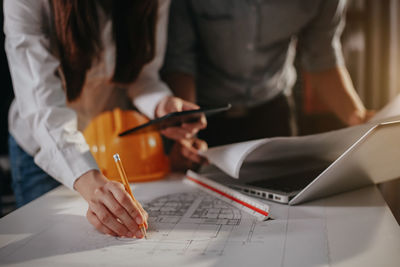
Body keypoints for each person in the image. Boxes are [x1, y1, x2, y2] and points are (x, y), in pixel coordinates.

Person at [4, 0, 205, 238]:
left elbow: (143, 76)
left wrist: (162, 105)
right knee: (47, 243)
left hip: (110, 145)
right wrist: (90, 182)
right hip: (42, 146)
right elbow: (41, 105)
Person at [162, 0, 372, 147]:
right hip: (204, 114)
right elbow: (179, 61)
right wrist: (185, 135)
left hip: (273, 110)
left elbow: (322, 57)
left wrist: (359, 118)